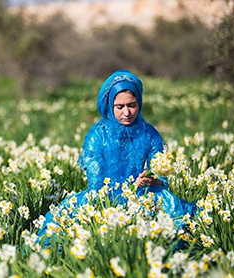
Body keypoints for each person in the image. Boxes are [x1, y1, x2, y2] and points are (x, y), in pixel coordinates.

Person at [37, 69, 195, 237]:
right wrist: (130, 188)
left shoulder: (149, 133)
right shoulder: (97, 136)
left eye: (132, 105)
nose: (126, 113)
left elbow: (161, 177)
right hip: (105, 198)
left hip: (142, 196)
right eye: (119, 107)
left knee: (173, 225)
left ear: (139, 104)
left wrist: (150, 180)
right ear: (110, 105)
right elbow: (96, 185)